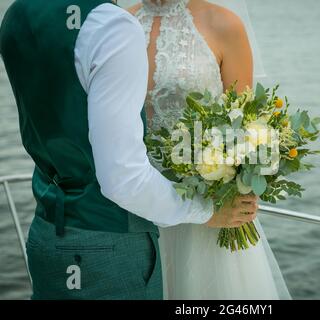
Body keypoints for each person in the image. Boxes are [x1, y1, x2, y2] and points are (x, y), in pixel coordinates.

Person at [0, 0, 257, 299]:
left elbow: (243, 125)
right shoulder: (115, 24)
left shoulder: (16, 15)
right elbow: (122, 178)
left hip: (49, 230)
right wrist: (206, 210)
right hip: (122, 229)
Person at [128, 0, 291, 299]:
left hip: (210, 212)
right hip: (132, 207)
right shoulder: (119, 24)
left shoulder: (224, 25)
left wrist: (242, 181)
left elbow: (247, 122)